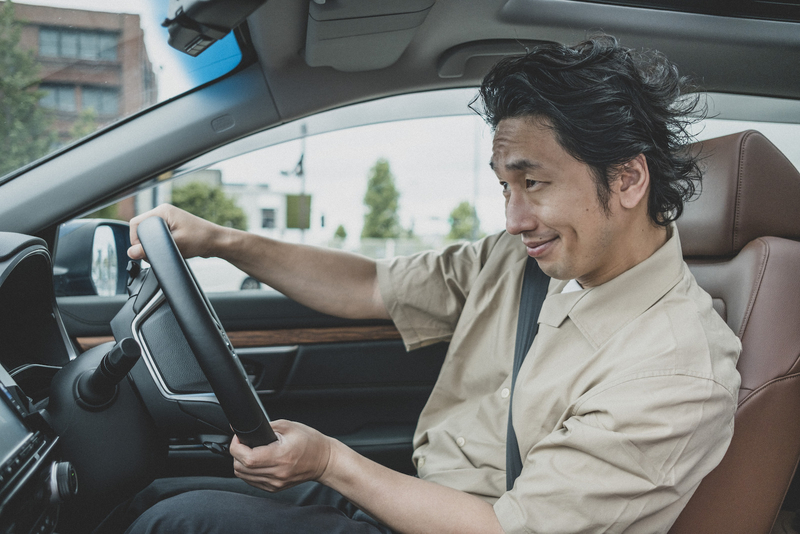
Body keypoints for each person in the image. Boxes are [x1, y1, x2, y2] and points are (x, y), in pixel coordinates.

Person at [124, 36, 741, 534]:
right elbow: (372, 285)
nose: (513, 219)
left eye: (534, 183)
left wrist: (332, 461)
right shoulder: (520, 260)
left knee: (178, 521)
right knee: (148, 492)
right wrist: (221, 242)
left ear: (629, 178)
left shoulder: (677, 369)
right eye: (505, 186)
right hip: (410, 499)